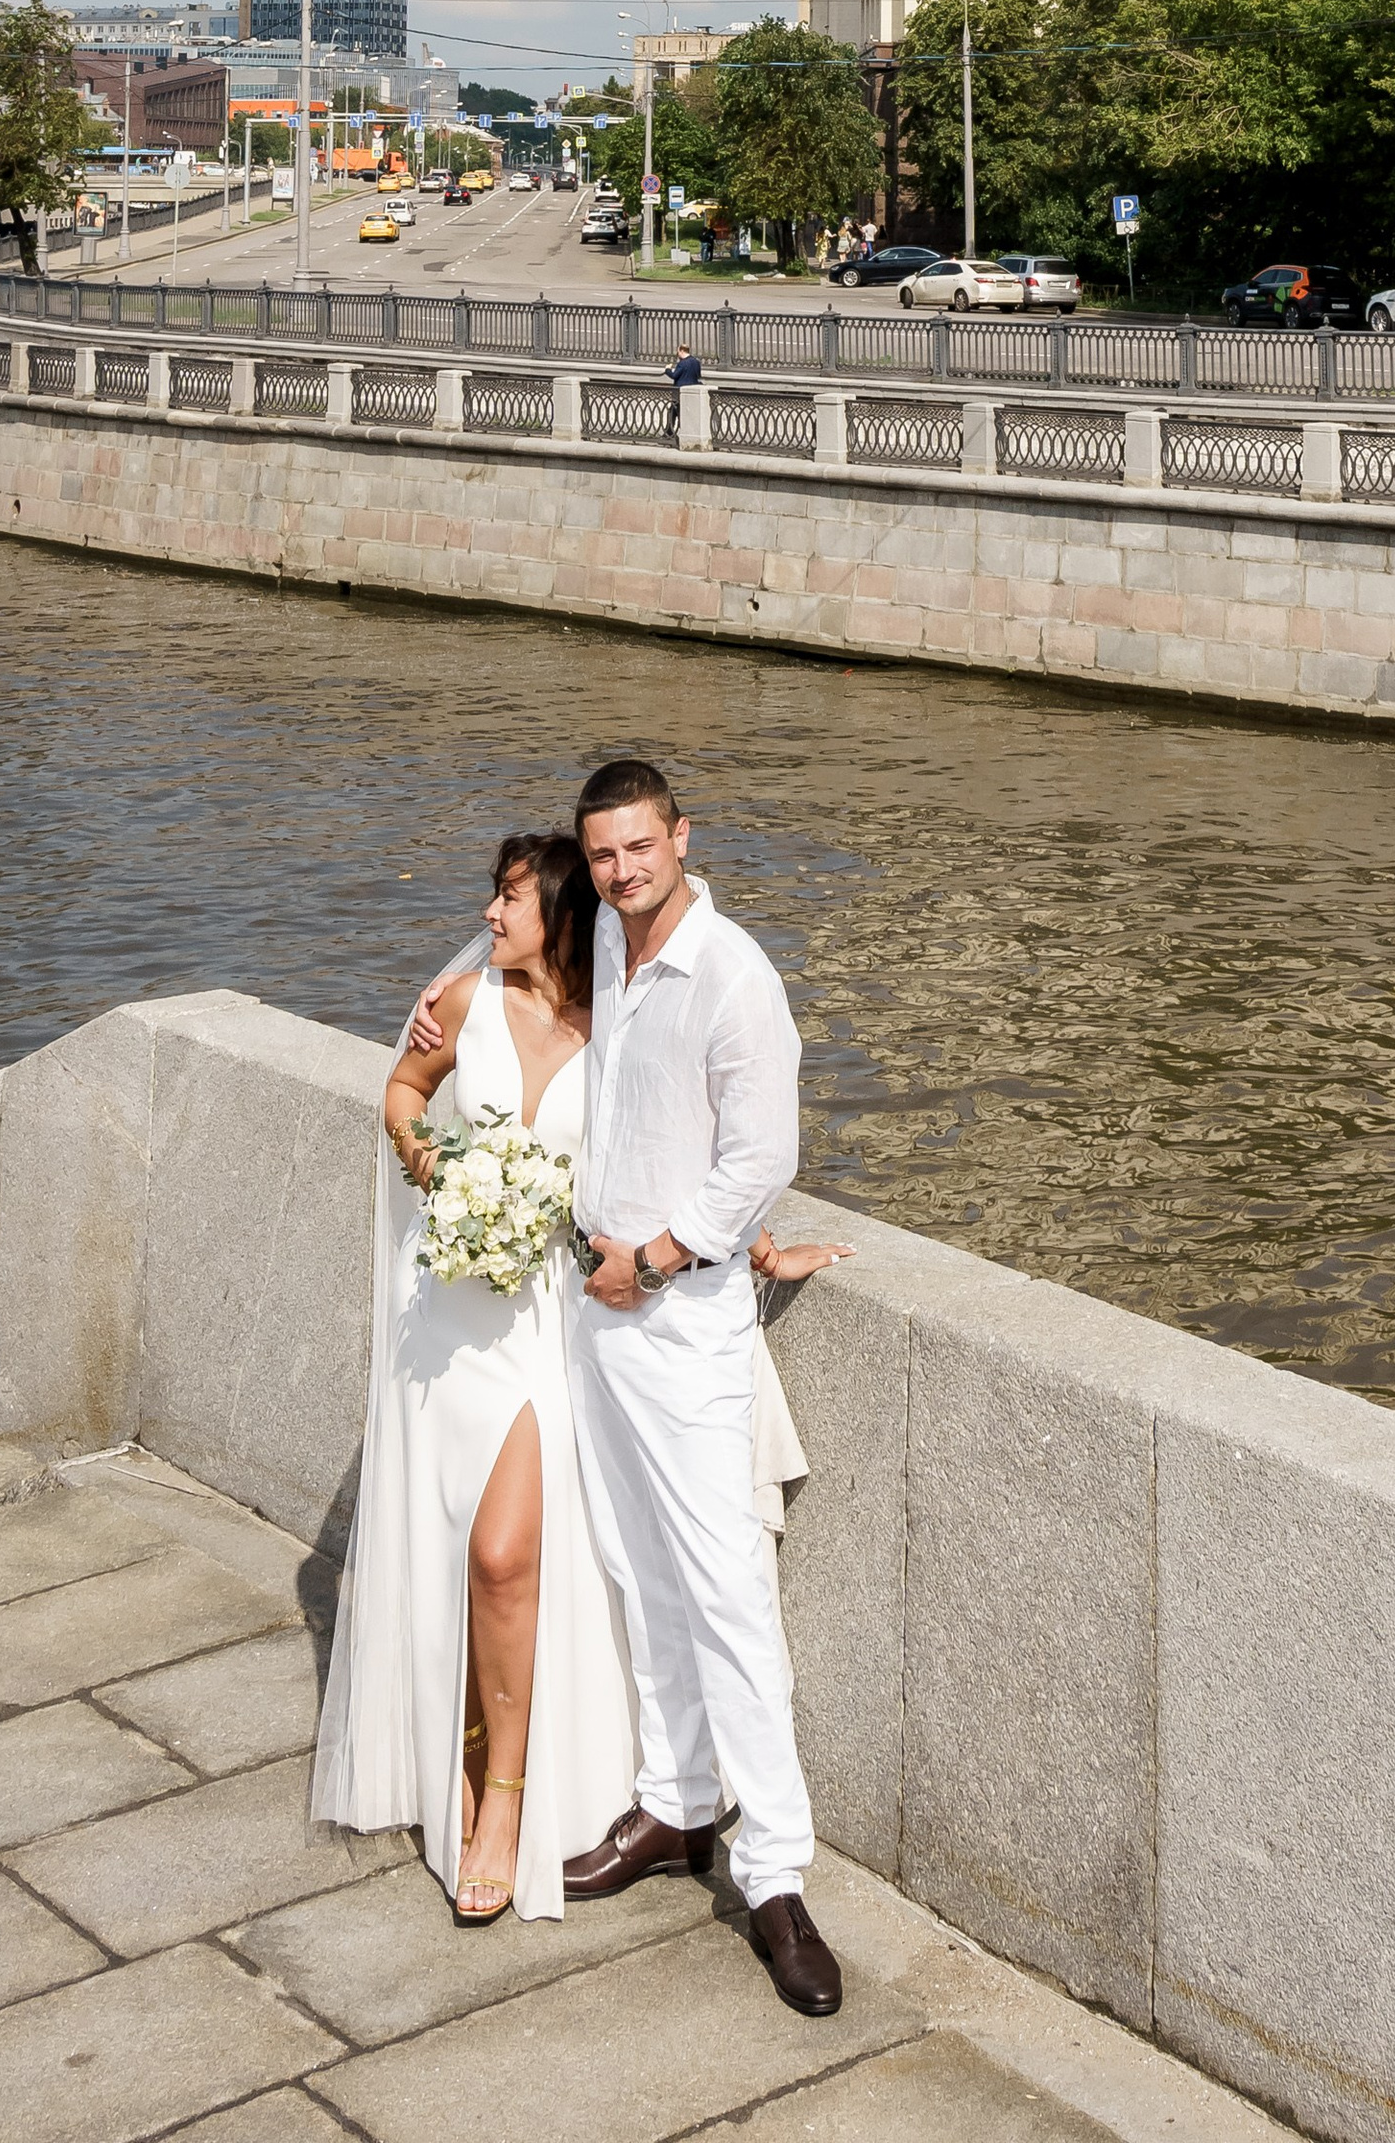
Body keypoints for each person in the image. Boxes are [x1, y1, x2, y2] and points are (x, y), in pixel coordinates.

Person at [314, 828, 844, 1925]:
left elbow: (686, 1157)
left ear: (555, 916)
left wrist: (757, 1245)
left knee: (509, 1555)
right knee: (450, 1541)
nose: (490, 914)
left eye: (509, 899)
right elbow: (404, 1095)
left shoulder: (622, 1026)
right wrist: (443, 1171)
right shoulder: (459, 1005)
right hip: (453, 1314)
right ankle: (463, 1763)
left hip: (554, 1325)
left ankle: (515, 1801)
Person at [556, 756, 844, 2018]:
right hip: (595, 1303)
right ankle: (675, 1806)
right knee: (636, 1563)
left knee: (727, 1591)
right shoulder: (615, 948)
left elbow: (761, 1155)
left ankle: (776, 1875)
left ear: (682, 837)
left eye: (639, 849)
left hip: (676, 1317)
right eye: (603, 856)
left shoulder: (734, 976)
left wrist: (662, 1260)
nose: (622, 872)